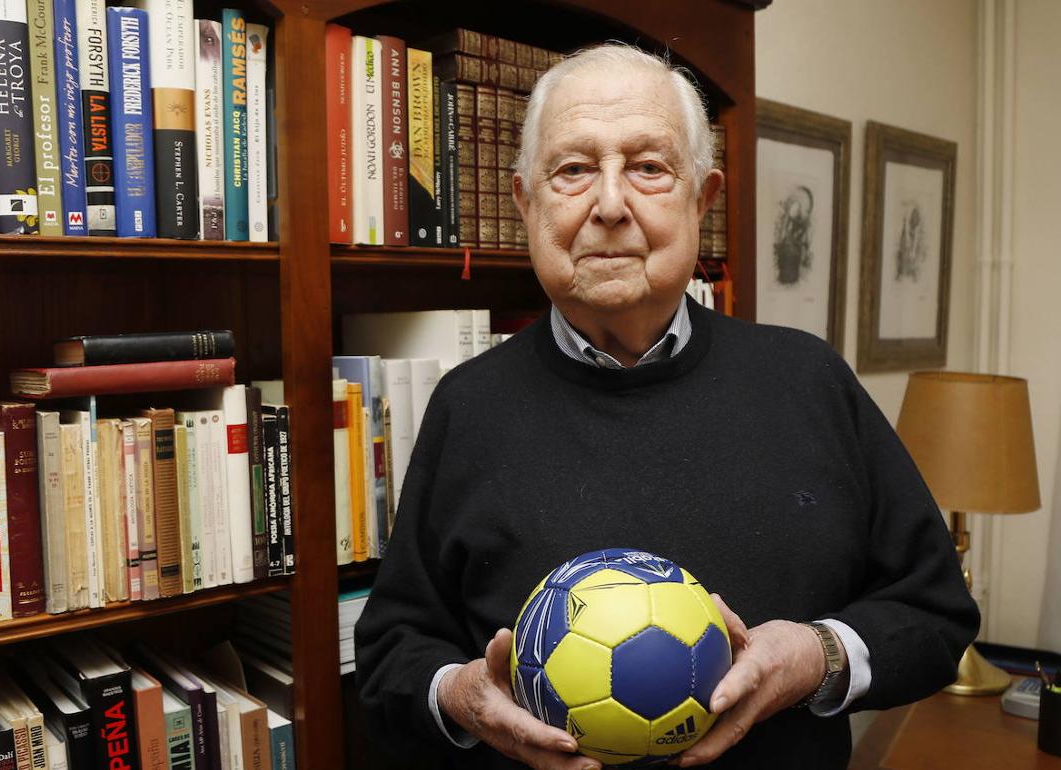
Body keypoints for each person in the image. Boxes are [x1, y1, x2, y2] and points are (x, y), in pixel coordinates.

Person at [354, 44, 978, 770]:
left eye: (648, 167)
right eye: (574, 170)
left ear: (702, 199)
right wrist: (460, 695)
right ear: (526, 202)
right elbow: (391, 654)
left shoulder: (809, 380)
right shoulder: (467, 406)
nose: (610, 205)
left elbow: (936, 614)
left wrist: (818, 655)